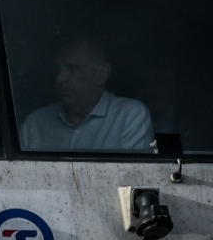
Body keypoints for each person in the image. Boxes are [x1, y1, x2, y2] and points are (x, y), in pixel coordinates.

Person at [20, 34, 153, 152]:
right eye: (58, 69)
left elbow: (132, 178)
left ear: (101, 74)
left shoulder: (129, 117)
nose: (60, 78)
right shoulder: (35, 124)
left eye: (72, 68)